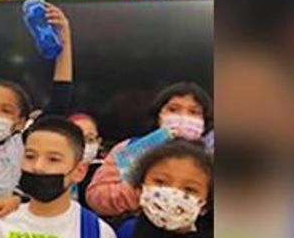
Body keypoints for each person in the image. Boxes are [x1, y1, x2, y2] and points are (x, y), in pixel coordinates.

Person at [0, 2, 74, 203]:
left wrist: (64, 42)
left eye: (6, 110)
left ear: (20, 122)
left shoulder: (22, 144)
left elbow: (60, 100)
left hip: (9, 219)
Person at [86, 82, 212, 220]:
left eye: (194, 112)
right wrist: (144, 194)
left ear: (205, 121)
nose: (183, 116)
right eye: (173, 109)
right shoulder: (131, 148)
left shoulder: (211, 157)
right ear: (159, 115)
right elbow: (96, 198)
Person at [68, 112, 104, 212]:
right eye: (78, 139)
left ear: (99, 142)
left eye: (90, 139)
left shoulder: (103, 173)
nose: (84, 145)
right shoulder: (55, 171)